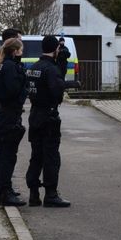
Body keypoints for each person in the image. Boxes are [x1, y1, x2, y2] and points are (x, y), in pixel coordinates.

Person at [25, 35, 71, 207]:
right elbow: (57, 90)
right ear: (56, 49)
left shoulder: (34, 67)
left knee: (36, 156)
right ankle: (51, 194)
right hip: (48, 117)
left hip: (35, 115)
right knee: (51, 157)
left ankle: (33, 193)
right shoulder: (51, 69)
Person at [0, 37, 28, 207]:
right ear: (15, 51)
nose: (22, 53)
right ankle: (5, 191)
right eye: (20, 50)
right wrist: (24, 82)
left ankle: (1, 189)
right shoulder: (11, 67)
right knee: (7, 155)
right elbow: (14, 91)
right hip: (9, 115)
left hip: (1, 113)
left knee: (1, 153)